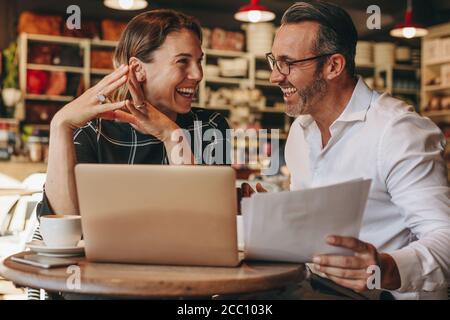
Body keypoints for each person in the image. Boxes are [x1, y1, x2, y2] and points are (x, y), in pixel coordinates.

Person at [243, 1, 449, 299]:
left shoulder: (398, 131)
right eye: (274, 62)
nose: (275, 76)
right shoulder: (301, 132)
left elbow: (445, 239)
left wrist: (385, 267)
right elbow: (316, 235)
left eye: (288, 63)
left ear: (333, 66)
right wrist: (276, 220)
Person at [37, 9, 230, 217]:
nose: (198, 74)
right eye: (183, 61)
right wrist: (59, 125)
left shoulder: (210, 127)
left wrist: (171, 135)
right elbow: (62, 230)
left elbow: (208, 222)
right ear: (138, 69)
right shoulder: (93, 131)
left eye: (199, 61)